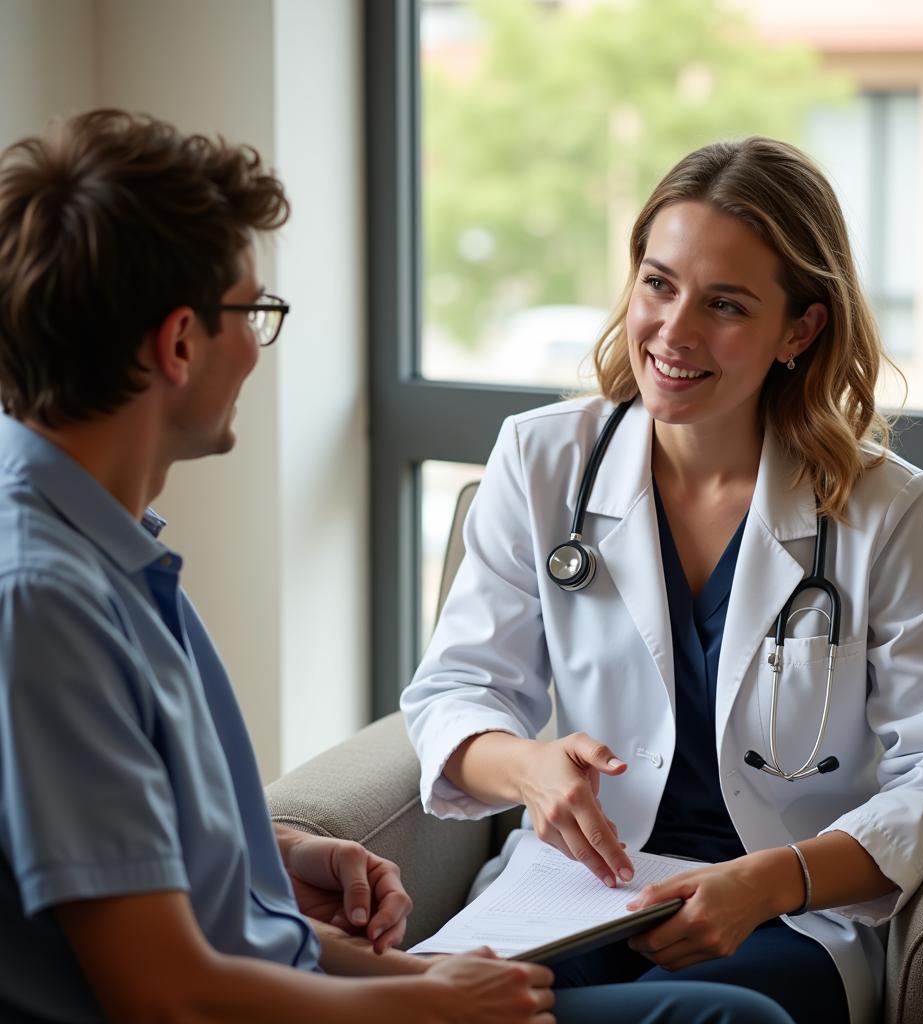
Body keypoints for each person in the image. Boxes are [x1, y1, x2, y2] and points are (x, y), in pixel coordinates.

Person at [0, 109, 793, 1024]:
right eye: (253, 312)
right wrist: (426, 1005)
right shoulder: (45, 601)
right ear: (180, 343)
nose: (259, 348)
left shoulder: (111, 556)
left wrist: (279, 854)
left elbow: (138, 850)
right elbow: (168, 995)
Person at [402, 136, 923, 1024]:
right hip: (576, 894)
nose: (674, 331)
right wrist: (532, 767)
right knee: (458, 1000)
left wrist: (776, 879)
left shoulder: (883, 508)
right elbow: (457, 691)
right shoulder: (542, 461)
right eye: (659, 284)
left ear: (800, 329)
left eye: (725, 304)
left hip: (785, 913)